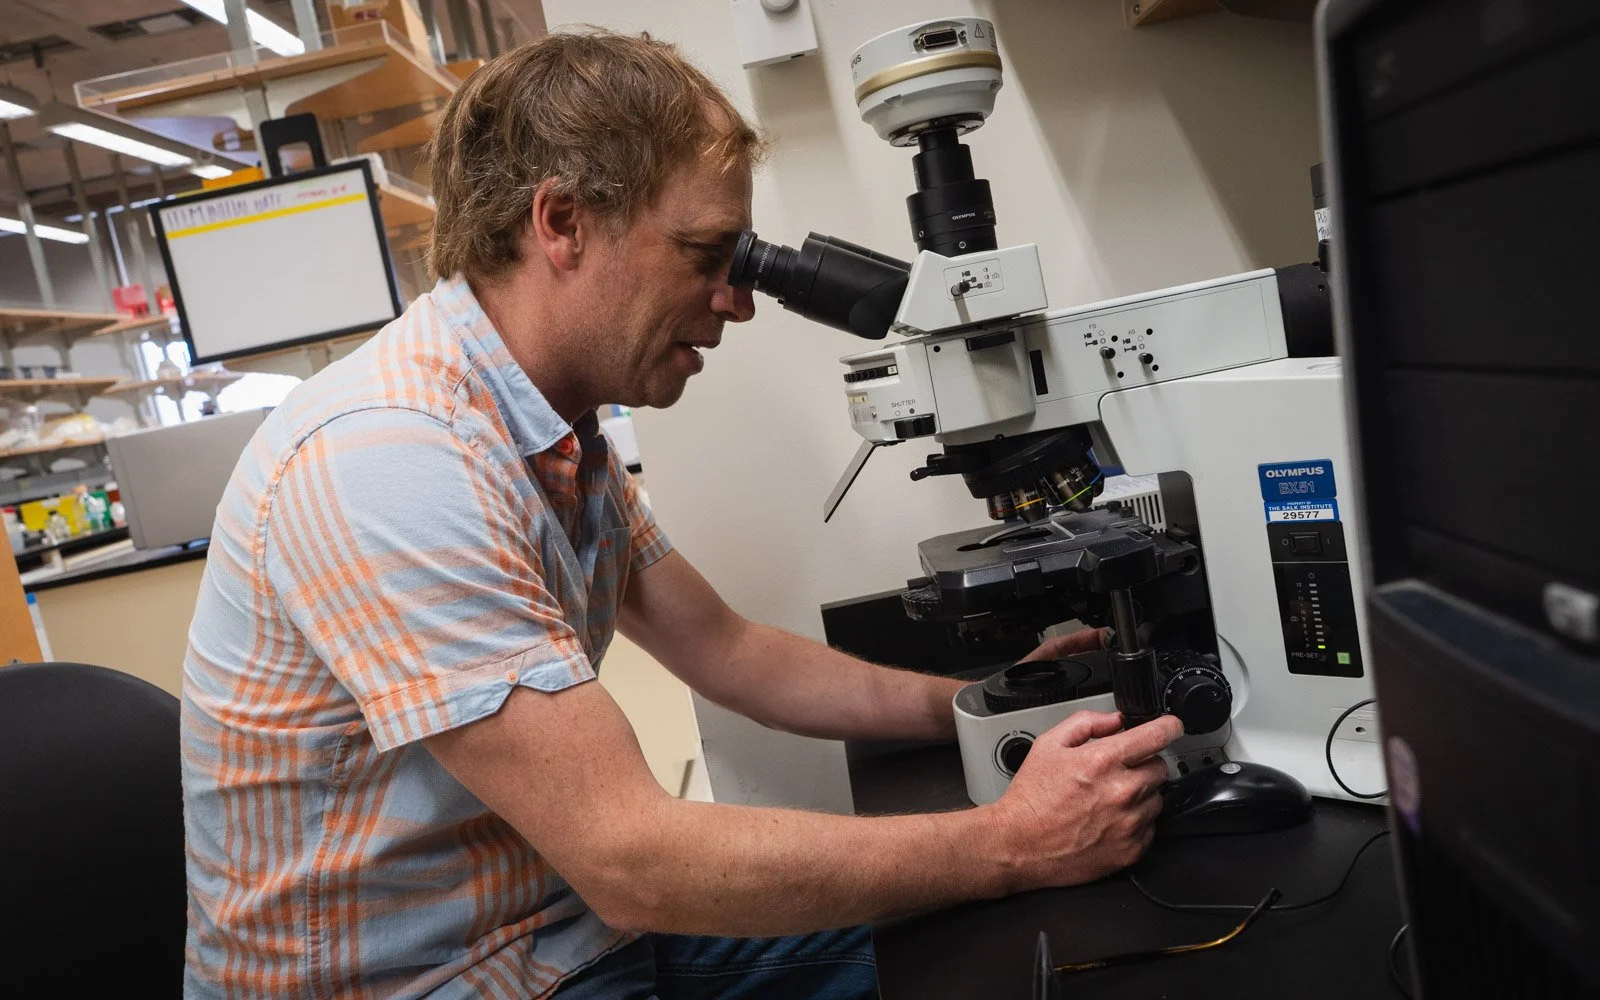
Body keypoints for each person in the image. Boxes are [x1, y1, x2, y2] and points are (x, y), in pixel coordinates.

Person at [180, 28, 1183, 1000]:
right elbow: (636, 860)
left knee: (995, 956)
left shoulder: (554, 434)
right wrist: (1010, 841)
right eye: (707, 254)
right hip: (427, 982)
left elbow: (731, 649)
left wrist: (979, 700)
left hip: (558, 940)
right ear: (562, 221)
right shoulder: (393, 461)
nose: (736, 302)